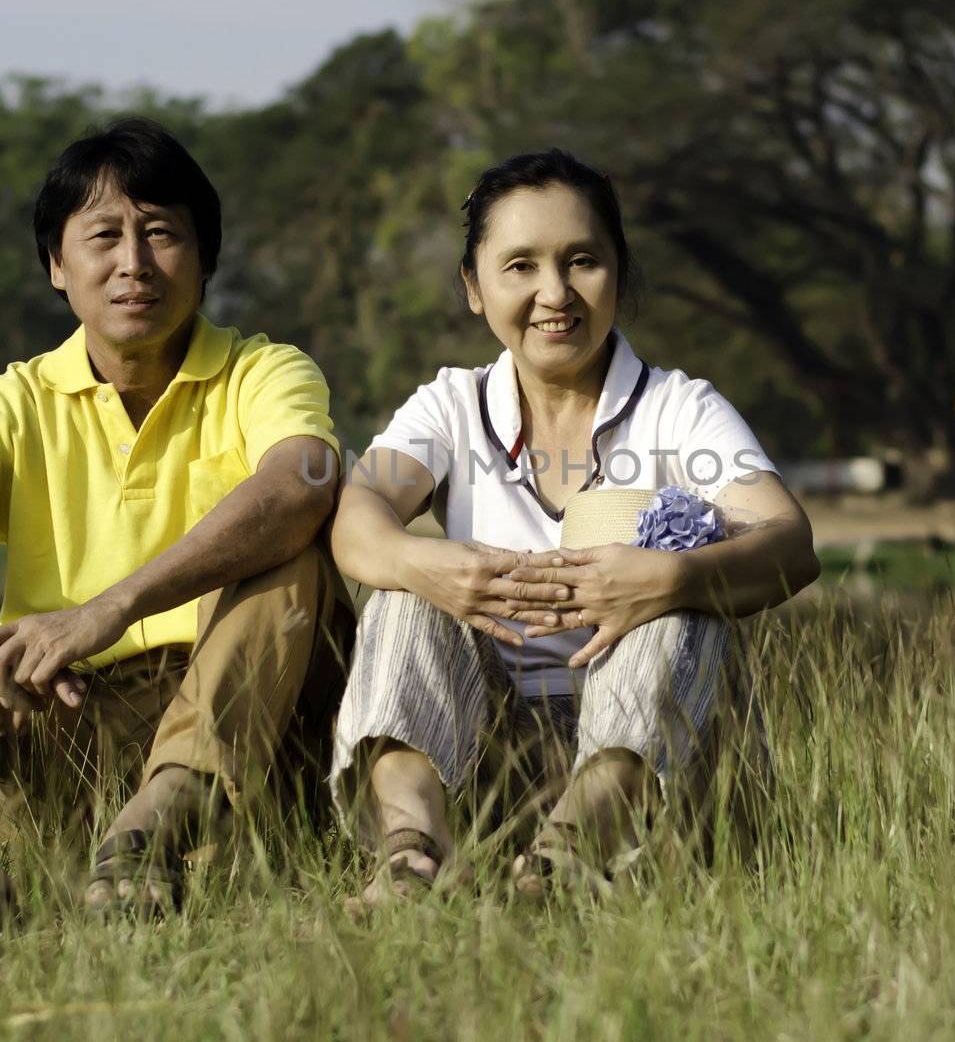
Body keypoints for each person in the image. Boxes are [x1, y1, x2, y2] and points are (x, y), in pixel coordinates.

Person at [0, 117, 351, 929]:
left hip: (223, 723)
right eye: (104, 237)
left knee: (289, 559)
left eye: (162, 234)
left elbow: (301, 485)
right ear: (58, 265)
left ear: (204, 259)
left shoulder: (262, 373)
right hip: (50, 722)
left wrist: (109, 609)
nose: (134, 263)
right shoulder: (8, 404)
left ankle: (153, 831)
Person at [329, 149, 820, 906]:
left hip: (654, 779)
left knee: (681, 603)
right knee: (401, 591)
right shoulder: (451, 406)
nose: (553, 294)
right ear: (473, 287)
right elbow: (358, 522)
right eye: (519, 266)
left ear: (618, 272)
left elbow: (790, 542)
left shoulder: (679, 408)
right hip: (488, 768)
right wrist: (431, 568)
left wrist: (671, 577)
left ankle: (565, 860)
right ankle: (414, 859)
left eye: (581, 261)